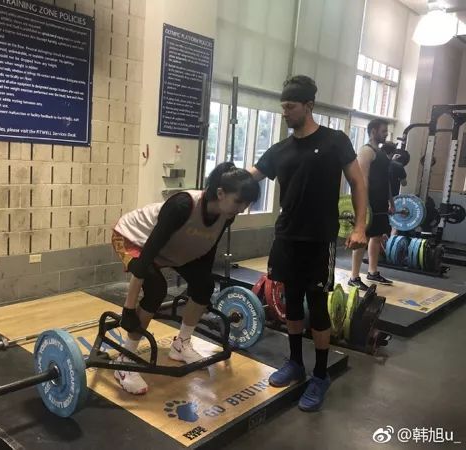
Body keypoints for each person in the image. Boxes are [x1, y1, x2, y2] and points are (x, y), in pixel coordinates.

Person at [250, 75, 368, 412]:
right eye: (283, 106)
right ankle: (295, 363)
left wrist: (360, 226)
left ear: (309, 105)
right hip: (287, 236)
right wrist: (213, 189)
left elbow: (357, 183)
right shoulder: (280, 150)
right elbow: (250, 176)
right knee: (291, 301)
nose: (284, 112)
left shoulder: (335, 141)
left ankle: (320, 374)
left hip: (319, 238)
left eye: (290, 106)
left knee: (316, 305)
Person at [111, 162, 260, 395]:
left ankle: (181, 345)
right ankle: (124, 359)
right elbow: (144, 261)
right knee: (156, 289)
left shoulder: (226, 215)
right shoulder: (182, 205)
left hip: (171, 246)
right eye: (239, 202)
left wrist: (201, 290)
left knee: (204, 285)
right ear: (220, 193)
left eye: (247, 204)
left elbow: (206, 249)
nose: (242, 209)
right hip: (133, 238)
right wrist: (129, 308)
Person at [349, 120, 395, 291]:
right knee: (362, 239)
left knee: (377, 236)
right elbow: (363, 179)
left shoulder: (381, 153)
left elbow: (386, 180)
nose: (386, 134)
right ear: (373, 131)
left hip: (381, 202)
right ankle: (354, 277)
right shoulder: (366, 151)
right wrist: (364, 205)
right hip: (369, 203)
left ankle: (372, 272)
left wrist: (391, 201)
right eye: (384, 131)